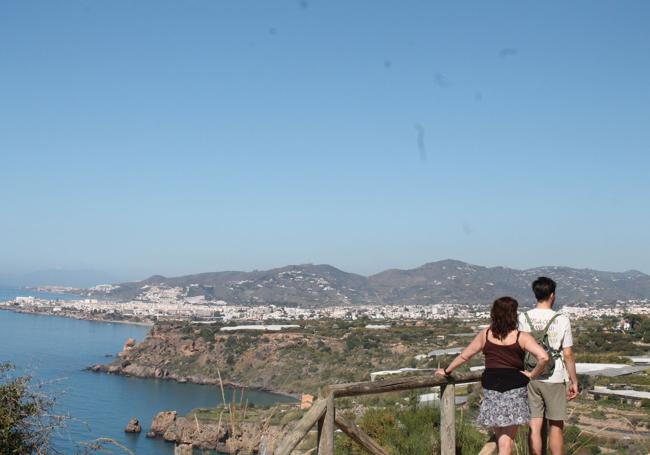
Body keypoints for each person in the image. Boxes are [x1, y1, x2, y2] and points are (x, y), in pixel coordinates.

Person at [436, 296, 549, 455]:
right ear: (513, 315)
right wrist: (532, 374)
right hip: (515, 389)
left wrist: (447, 371)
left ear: (494, 314)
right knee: (506, 443)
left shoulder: (485, 334)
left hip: (492, 389)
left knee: (500, 438)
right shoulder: (521, 337)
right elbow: (544, 357)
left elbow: (465, 356)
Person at [519, 277, 578, 455]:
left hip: (531, 375)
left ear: (535, 294)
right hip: (555, 377)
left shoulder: (523, 317)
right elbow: (568, 354)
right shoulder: (561, 319)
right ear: (552, 295)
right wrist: (574, 381)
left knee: (534, 426)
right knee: (556, 425)